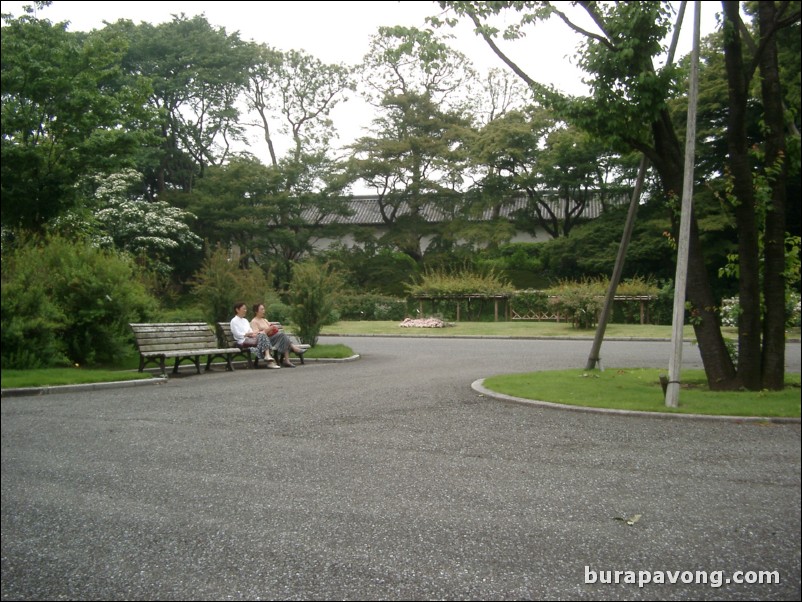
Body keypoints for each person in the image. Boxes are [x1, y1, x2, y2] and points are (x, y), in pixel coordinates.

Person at [251, 303, 308, 368]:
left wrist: (273, 328)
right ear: (256, 311)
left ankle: (288, 359)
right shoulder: (254, 321)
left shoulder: (264, 320)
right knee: (283, 336)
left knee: (283, 337)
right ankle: (293, 351)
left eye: (264, 309)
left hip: (272, 338)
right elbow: (256, 334)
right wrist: (268, 329)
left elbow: (270, 328)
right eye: (262, 309)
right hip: (265, 341)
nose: (264, 311)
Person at [230, 302, 280, 369]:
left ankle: (268, 358)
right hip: (242, 341)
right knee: (262, 337)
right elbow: (237, 334)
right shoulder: (234, 321)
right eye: (243, 309)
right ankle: (269, 359)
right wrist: (246, 334)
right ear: (237, 310)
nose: (245, 310)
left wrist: (253, 334)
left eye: (246, 309)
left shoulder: (245, 320)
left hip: (251, 339)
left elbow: (250, 331)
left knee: (262, 335)